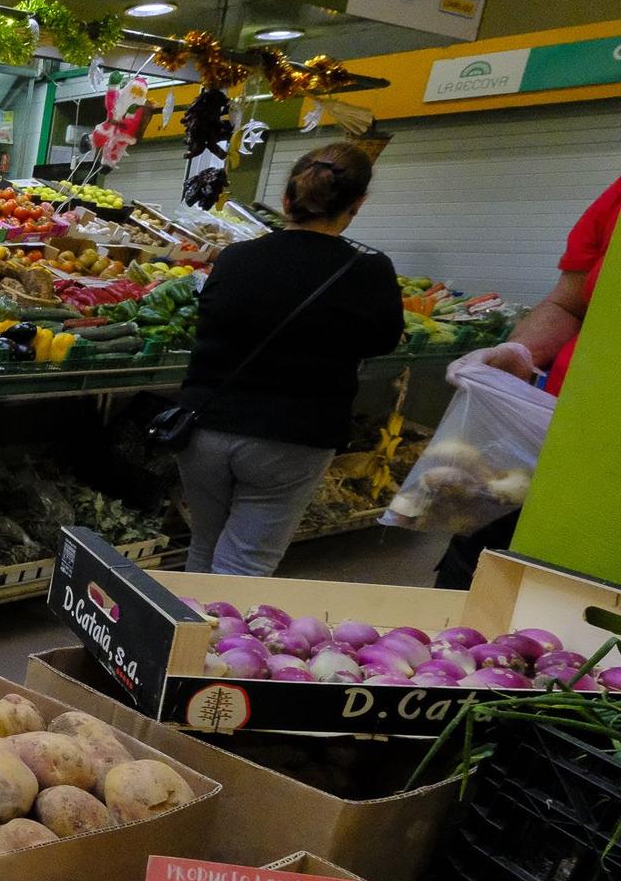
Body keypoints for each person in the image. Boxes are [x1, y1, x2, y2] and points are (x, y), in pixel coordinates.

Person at [176, 143, 403, 576]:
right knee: (246, 559)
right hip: (293, 434)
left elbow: (208, 321)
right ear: (357, 206)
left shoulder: (235, 258)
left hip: (205, 423)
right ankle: (215, 642)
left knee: (205, 544)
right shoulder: (369, 271)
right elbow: (383, 341)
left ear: (286, 199)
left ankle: (177, 635)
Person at [433, 171, 621, 589]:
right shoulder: (618, 196)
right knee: (476, 584)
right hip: (552, 445)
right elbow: (569, 303)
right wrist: (522, 351)